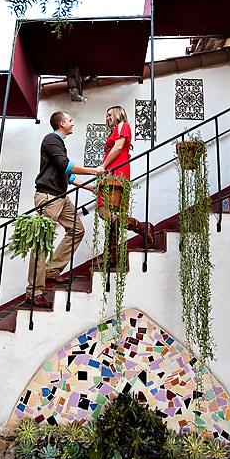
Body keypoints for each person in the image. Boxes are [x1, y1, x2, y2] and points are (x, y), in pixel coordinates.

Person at [28, 111, 104, 308]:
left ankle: (52, 271)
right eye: (70, 120)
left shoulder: (58, 143)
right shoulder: (51, 140)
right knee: (42, 242)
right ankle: (34, 291)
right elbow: (66, 165)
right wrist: (93, 171)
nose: (72, 123)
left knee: (77, 230)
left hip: (60, 196)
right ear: (62, 123)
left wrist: (87, 186)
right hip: (49, 197)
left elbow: (65, 173)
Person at [96, 105, 157, 268]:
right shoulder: (114, 130)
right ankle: (112, 255)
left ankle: (142, 228)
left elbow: (117, 148)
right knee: (109, 215)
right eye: (106, 115)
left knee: (107, 212)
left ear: (118, 114)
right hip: (110, 174)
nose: (107, 117)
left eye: (110, 114)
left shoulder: (123, 126)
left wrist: (103, 167)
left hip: (116, 174)